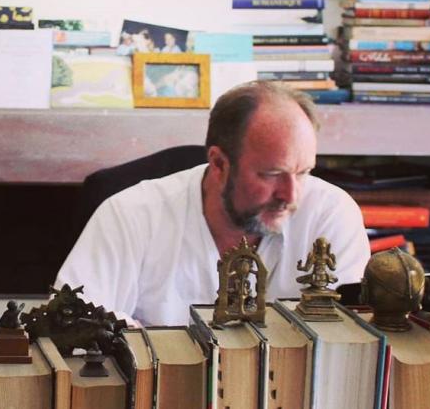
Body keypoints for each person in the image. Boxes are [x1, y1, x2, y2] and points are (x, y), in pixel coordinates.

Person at [55, 81, 370, 326]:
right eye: (272, 174)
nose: (291, 195)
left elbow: (347, 343)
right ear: (219, 164)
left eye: (303, 173)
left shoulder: (331, 215)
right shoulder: (130, 214)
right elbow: (71, 324)